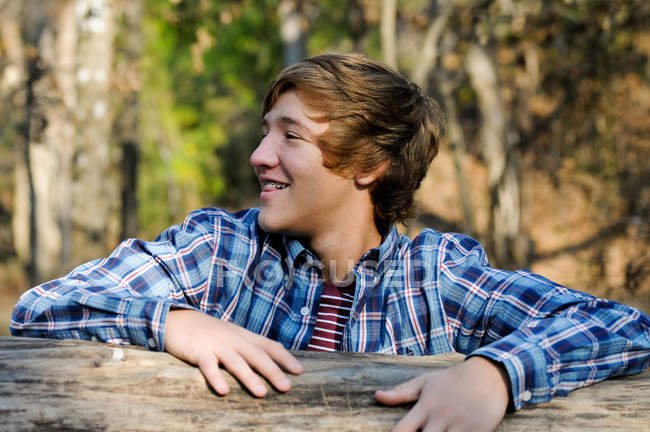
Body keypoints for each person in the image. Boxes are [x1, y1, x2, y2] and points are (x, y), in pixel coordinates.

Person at [11, 53, 650, 432]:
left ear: (367, 164)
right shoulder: (219, 252)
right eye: (267, 132)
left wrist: (497, 374)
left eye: (290, 136)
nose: (260, 155)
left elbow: (622, 327)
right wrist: (175, 322)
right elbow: (40, 308)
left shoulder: (435, 276)